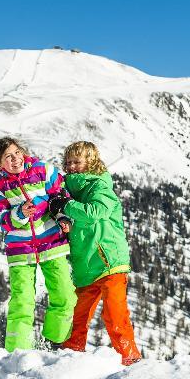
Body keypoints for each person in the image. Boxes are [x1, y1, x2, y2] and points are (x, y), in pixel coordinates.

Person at [50, 141, 142, 365]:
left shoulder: (100, 186)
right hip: (85, 262)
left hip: (108, 258)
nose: (71, 166)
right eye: (68, 162)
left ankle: (129, 355)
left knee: (114, 310)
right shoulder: (68, 191)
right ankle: (72, 350)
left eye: (77, 162)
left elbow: (95, 212)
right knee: (79, 311)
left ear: (90, 162)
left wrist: (65, 206)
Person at [0, 137, 77, 352]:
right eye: (8, 157)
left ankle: (56, 341)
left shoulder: (44, 170)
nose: (15, 159)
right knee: (22, 300)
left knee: (65, 293)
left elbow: (61, 195)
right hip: (20, 250)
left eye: (17, 152)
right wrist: (19, 214)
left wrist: (63, 218)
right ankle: (18, 351)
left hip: (52, 242)